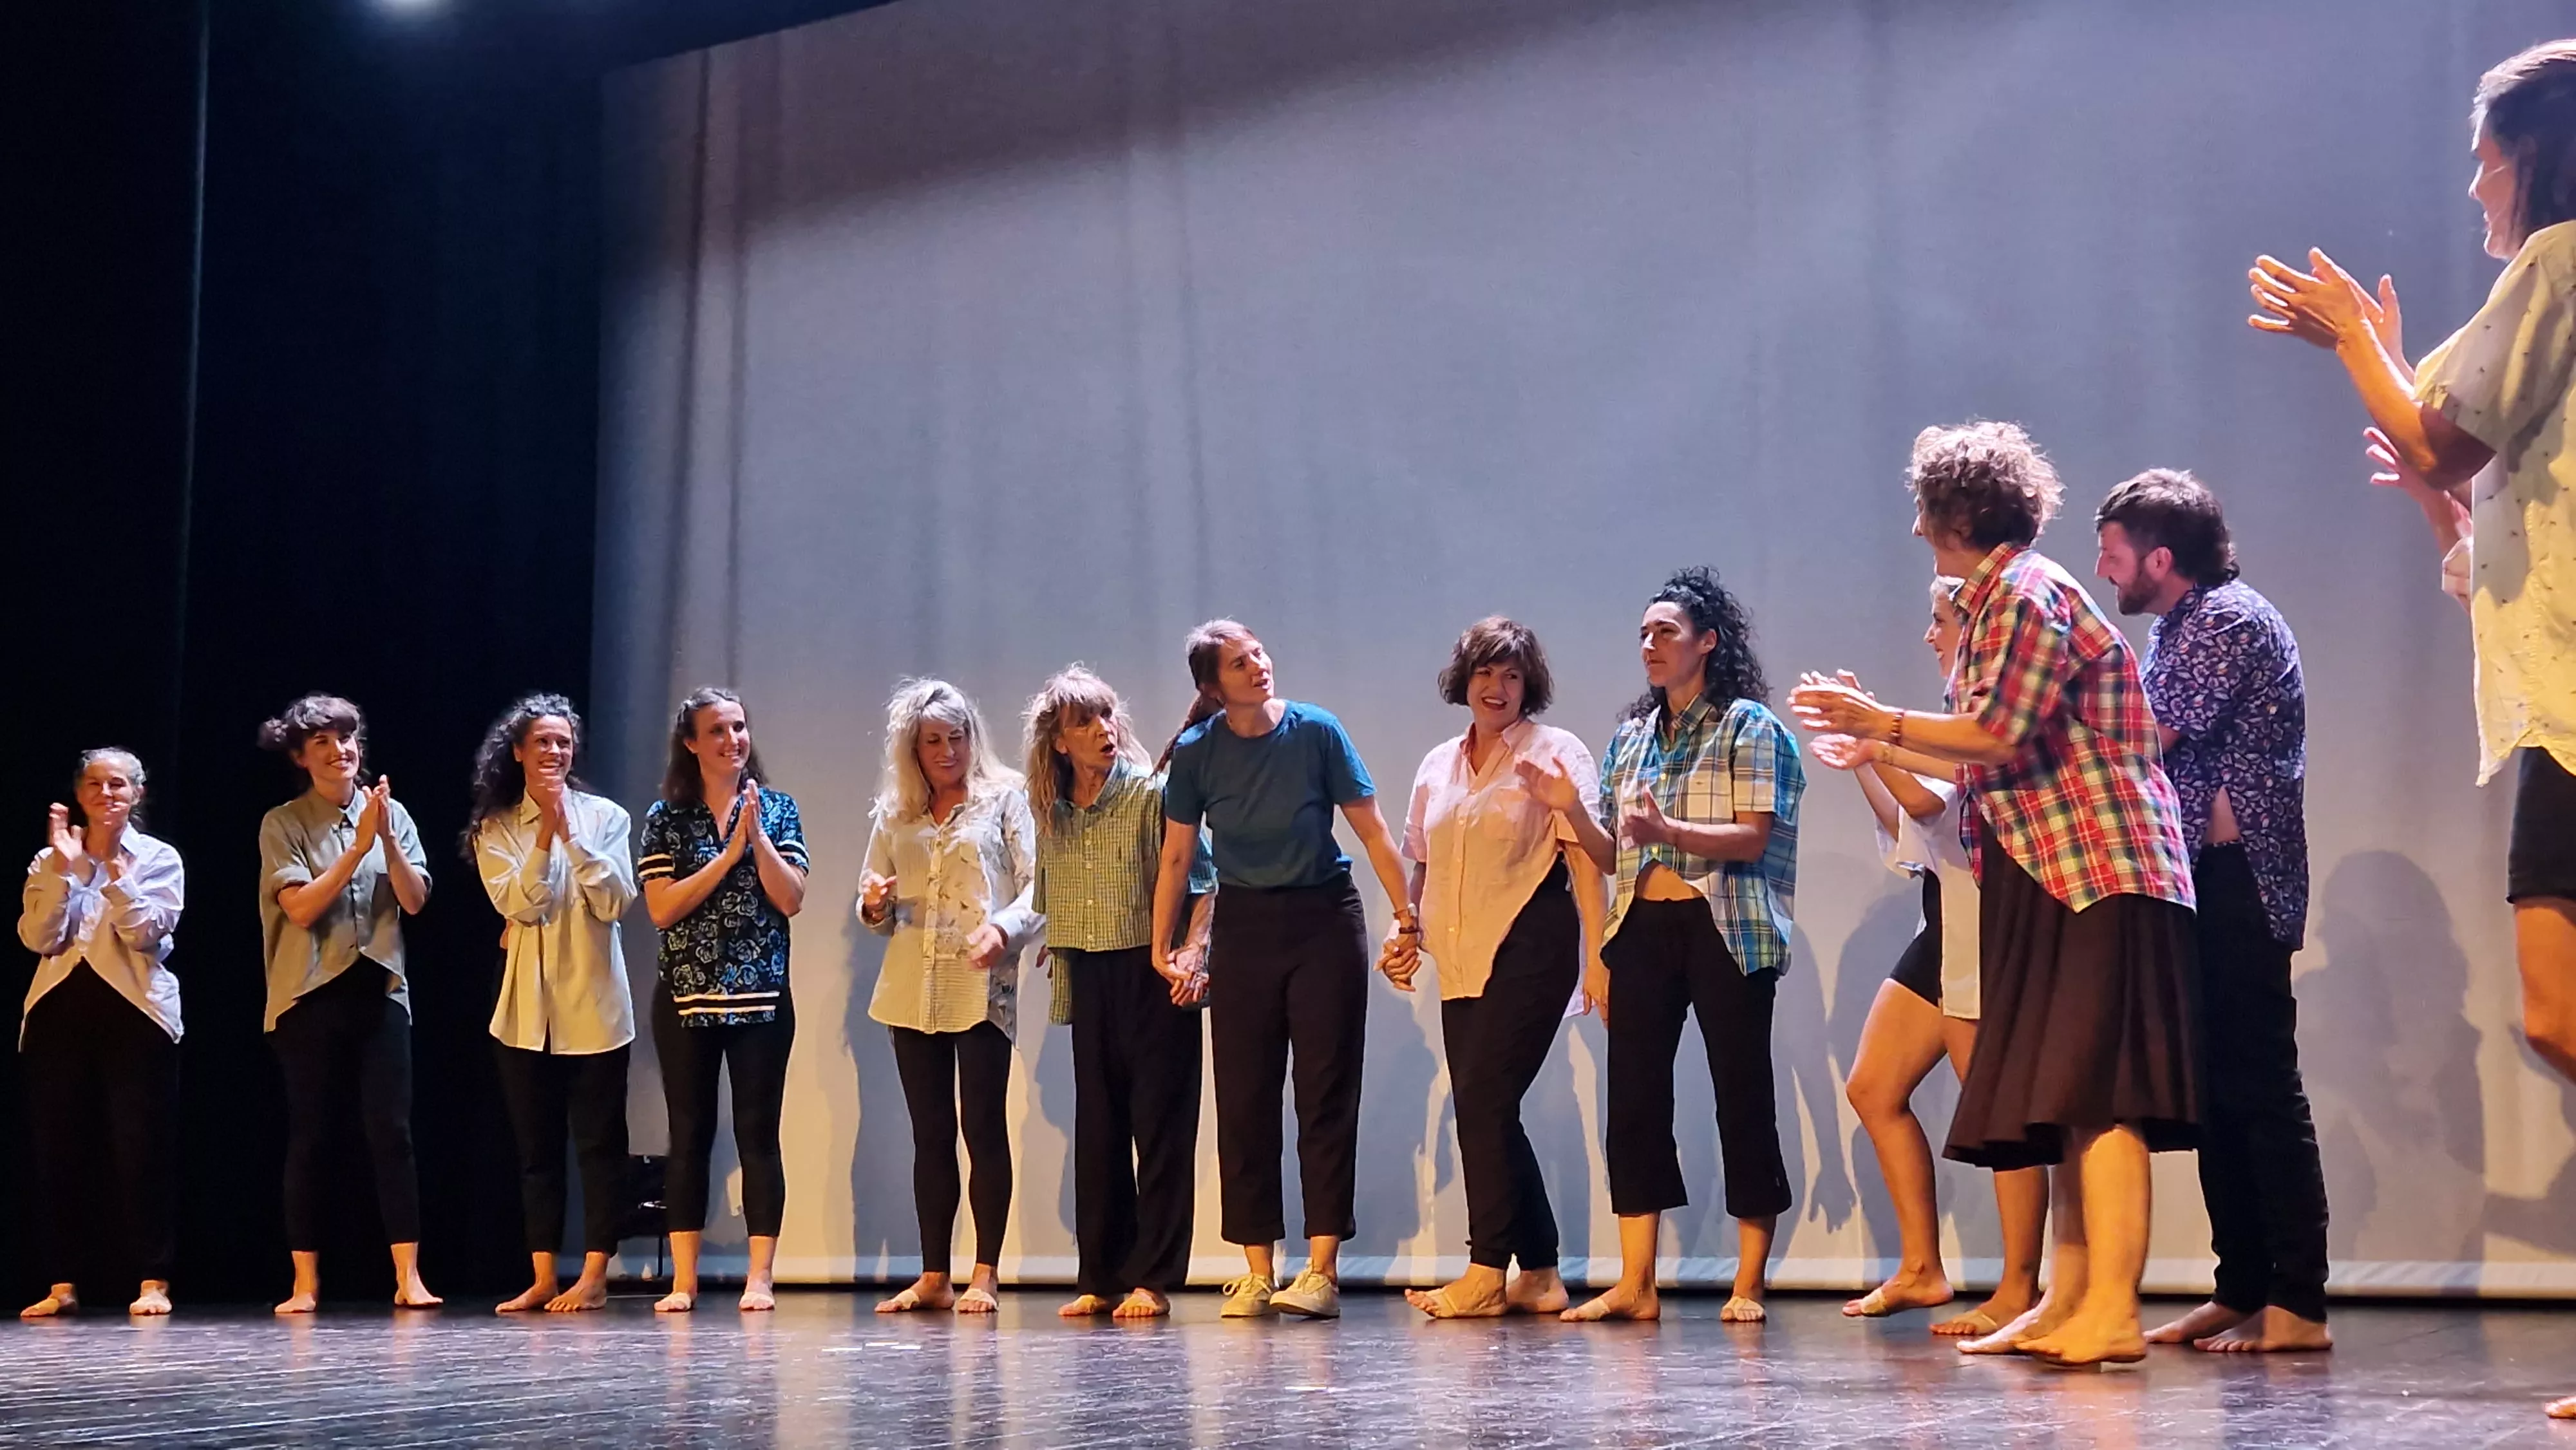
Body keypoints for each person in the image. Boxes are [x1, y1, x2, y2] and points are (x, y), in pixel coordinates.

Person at [2248, 42, 2576, 1406]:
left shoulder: (2559, 259)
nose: (2469, 182)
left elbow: (2438, 428)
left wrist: (2360, 348)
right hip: (2548, 703)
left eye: (2479, 157)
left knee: (2555, 1005)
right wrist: (2429, 492)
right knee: (2553, 1014)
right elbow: (2474, 489)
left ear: (2533, 154)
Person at [1790, 422, 2199, 1368]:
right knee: (2066, 1098)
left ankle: (2113, 1311)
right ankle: (2068, 1298)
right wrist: (1882, 740)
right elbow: (1979, 748)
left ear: (1955, 512)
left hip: (2102, 864)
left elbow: (1999, 734)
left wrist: (1881, 720)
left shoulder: (2023, 592)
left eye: (1924, 510)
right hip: (2052, 869)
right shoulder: (1995, 604)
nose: (1916, 529)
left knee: (2102, 1096)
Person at [2094, 471, 2332, 1355]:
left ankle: (2298, 1301)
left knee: (2262, 1086)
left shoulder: (2227, 619)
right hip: (2200, 879)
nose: (2105, 572)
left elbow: (2147, 738)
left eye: (2114, 556)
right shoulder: (2180, 628)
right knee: (2217, 1092)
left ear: (2162, 558)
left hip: (2240, 879)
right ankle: (2242, 1286)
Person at [1539, 567, 1804, 1326]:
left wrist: (1669, 833)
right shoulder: (1631, 737)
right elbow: (1613, 851)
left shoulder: (1749, 725)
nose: (1650, 645)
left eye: (1666, 632)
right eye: (1644, 634)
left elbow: (1752, 836)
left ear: (1707, 642)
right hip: (1644, 931)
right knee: (1634, 1103)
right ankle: (1635, 1282)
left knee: (1741, 1096)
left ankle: (1748, 1279)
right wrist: (1570, 812)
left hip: (1725, 925)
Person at [1150, 619, 1414, 1320]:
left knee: (1325, 1091)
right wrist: (1164, 942)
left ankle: (1321, 1270)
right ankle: (1257, 1268)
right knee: (1244, 1096)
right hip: (1245, 925)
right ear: (1212, 685)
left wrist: (1407, 914)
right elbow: (1178, 856)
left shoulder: (1316, 731)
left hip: (1324, 918)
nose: (1258, 666)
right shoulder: (1198, 753)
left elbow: (1372, 828)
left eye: (1259, 652)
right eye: (1239, 663)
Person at [1804, 582, 2047, 1339]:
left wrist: (1876, 741)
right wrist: (1867, 758)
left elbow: (1933, 806)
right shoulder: (1946, 712)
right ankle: (1921, 1267)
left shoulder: (1985, 712)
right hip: (1944, 923)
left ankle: (2018, 1287)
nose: (1928, 635)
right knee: (1873, 1085)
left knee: (2001, 1118)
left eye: (1938, 621)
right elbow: (1915, 826)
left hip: (1989, 929)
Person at [1390, 618, 1604, 1320]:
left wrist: (1598, 958)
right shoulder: (1436, 764)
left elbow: (1590, 861)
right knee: (1489, 1107)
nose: (1497, 687)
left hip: (1532, 944)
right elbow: (1421, 858)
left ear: (1528, 684)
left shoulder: (1553, 752)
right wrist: (1406, 926)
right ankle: (1539, 1271)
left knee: (1482, 1101)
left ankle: (1486, 1267)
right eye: (1486, 672)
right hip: (1459, 955)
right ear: (1465, 679)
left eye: (1512, 675)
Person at [1023, 666, 1215, 1321]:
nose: (1102, 730)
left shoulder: (1151, 794)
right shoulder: (1054, 811)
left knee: (1160, 1128)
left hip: (1149, 970)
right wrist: (1062, 932)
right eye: (1084, 721)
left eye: (1106, 716)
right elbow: (1054, 884)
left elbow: (1205, 879)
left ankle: (1152, 1276)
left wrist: (1192, 949)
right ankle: (1100, 1272)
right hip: (1091, 971)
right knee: (1099, 1128)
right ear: (1059, 741)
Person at [860, 679, 1041, 1317]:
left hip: (980, 980)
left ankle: (984, 1272)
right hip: (912, 982)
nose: (947, 750)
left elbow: (1035, 887)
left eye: (956, 736)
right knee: (930, 1132)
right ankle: (934, 1272)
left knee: (980, 1124)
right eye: (933, 740)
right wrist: (874, 904)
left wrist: (1004, 928)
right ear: (912, 747)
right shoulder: (896, 810)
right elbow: (873, 901)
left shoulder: (1004, 796)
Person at [255, 694, 439, 1313]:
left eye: (348, 738)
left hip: (381, 986)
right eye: (324, 743)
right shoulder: (284, 823)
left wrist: (383, 837)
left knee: (392, 1132)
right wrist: (357, 850)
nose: (341, 751)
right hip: (308, 991)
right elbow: (301, 908)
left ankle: (408, 1275)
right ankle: (305, 1282)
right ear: (302, 758)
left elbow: (414, 901)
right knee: (312, 1135)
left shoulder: (391, 813)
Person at [466, 694, 638, 1315]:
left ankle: (593, 1273)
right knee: (536, 1149)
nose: (555, 752)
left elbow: (617, 901)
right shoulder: (495, 827)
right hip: (525, 1010)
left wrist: (575, 839)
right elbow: (521, 905)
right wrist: (544, 837)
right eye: (542, 742)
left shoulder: (608, 818)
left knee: (598, 1143)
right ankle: (542, 1274)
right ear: (519, 752)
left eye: (564, 742)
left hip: (594, 1003)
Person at [638, 686, 808, 1313]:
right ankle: (683, 1279)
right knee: (689, 1134)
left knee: (759, 1134)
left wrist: (755, 839)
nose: (733, 739)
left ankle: (760, 1276)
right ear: (692, 743)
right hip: (687, 996)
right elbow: (662, 908)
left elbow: (790, 897)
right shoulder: (667, 818)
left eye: (739, 727)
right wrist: (726, 856)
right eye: (717, 730)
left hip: (761, 995)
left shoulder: (780, 809)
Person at [17, 749, 184, 1319]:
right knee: (58, 1149)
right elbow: (40, 937)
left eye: (118, 784)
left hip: (137, 1012)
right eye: (94, 784)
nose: (106, 793)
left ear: (137, 793)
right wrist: (66, 873)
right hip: (58, 1012)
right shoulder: (49, 857)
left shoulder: (159, 858)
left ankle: (152, 1278)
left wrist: (110, 879)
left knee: (141, 1148)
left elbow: (145, 934)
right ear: (79, 794)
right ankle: (62, 1283)